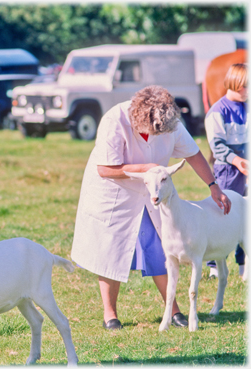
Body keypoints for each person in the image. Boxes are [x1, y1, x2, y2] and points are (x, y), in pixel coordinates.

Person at [71, 85, 231, 330]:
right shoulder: (114, 119)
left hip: (153, 192)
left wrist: (213, 185)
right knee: (111, 249)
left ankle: (173, 310)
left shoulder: (170, 122)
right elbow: (104, 169)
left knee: (159, 246)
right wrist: (144, 168)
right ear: (140, 117)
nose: (159, 135)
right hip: (115, 192)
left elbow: (193, 154)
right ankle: (110, 314)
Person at [205, 63, 248, 279]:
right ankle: (214, 264)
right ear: (236, 84)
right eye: (247, 87)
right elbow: (218, 146)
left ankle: (243, 264)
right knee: (224, 213)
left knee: (246, 216)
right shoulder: (217, 112)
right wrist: (237, 160)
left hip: (246, 168)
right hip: (228, 171)